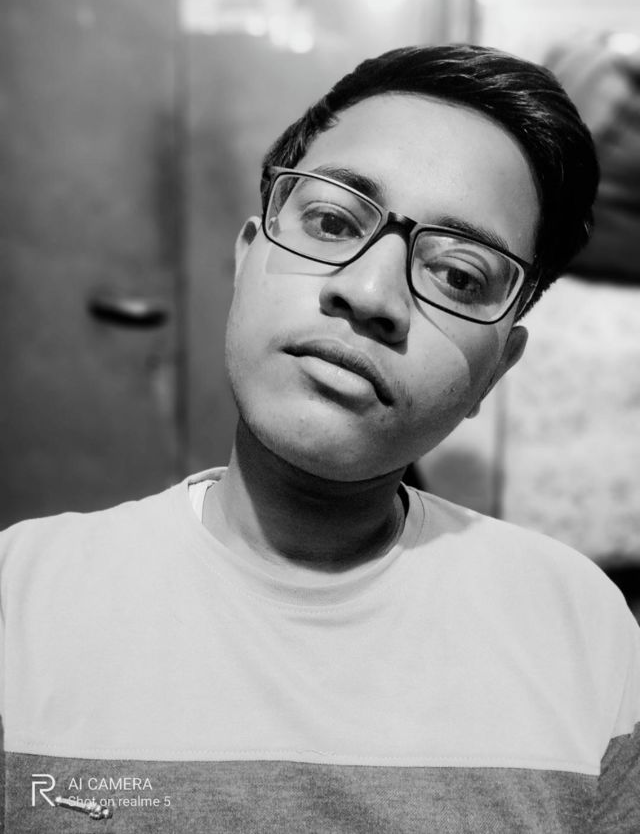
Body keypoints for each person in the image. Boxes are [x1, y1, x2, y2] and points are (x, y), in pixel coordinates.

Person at [1, 44, 638, 834]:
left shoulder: (579, 629)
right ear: (247, 257)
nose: (370, 293)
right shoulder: (23, 603)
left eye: (458, 274)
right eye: (333, 222)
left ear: (496, 369)